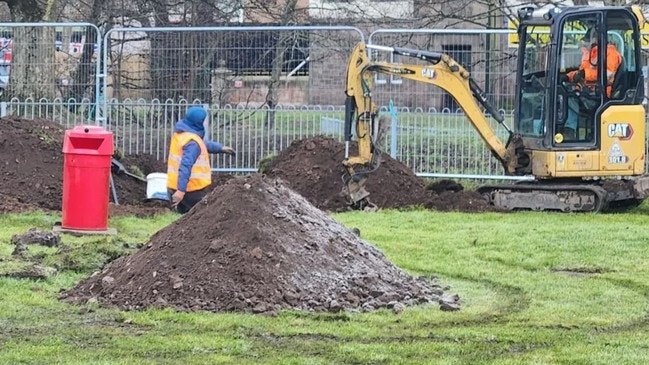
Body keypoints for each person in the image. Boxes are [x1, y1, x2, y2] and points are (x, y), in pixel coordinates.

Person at [167, 106, 235, 213]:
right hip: (191, 190)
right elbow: (186, 165)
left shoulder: (181, 134)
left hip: (174, 185)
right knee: (206, 216)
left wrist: (220, 148)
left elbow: (202, 144)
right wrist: (181, 191)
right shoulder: (193, 142)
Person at [562, 26, 623, 139]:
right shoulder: (593, 54)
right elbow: (582, 71)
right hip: (589, 90)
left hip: (600, 94)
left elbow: (608, 75)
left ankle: (569, 131)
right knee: (564, 91)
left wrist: (584, 74)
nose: (585, 44)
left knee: (567, 98)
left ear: (595, 38)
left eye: (587, 41)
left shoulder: (610, 53)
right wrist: (567, 77)